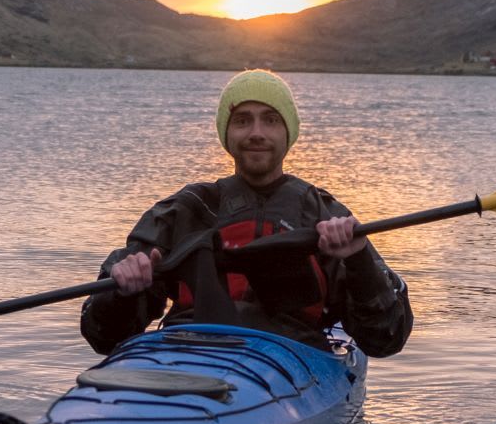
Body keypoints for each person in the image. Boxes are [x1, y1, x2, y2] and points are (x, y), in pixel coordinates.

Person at [80, 70, 413, 357]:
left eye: (270, 119)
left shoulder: (325, 214)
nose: (256, 132)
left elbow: (385, 339)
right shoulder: (187, 208)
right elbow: (104, 338)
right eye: (242, 120)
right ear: (227, 135)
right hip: (185, 351)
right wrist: (121, 292)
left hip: (291, 356)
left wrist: (358, 261)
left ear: (288, 133)